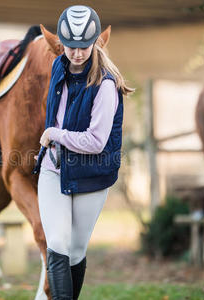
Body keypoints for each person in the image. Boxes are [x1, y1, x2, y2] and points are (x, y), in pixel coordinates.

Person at [32, 5, 134, 300]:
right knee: (58, 243)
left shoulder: (105, 84)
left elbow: (96, 141)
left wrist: (54, 134)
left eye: (84, 46)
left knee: (76, 251)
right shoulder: (57, 67)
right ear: (62, 43)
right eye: (71, 46)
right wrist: (55, 140)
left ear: (94, 43)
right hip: (54, 168)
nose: (77, 53)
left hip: (92, 175)